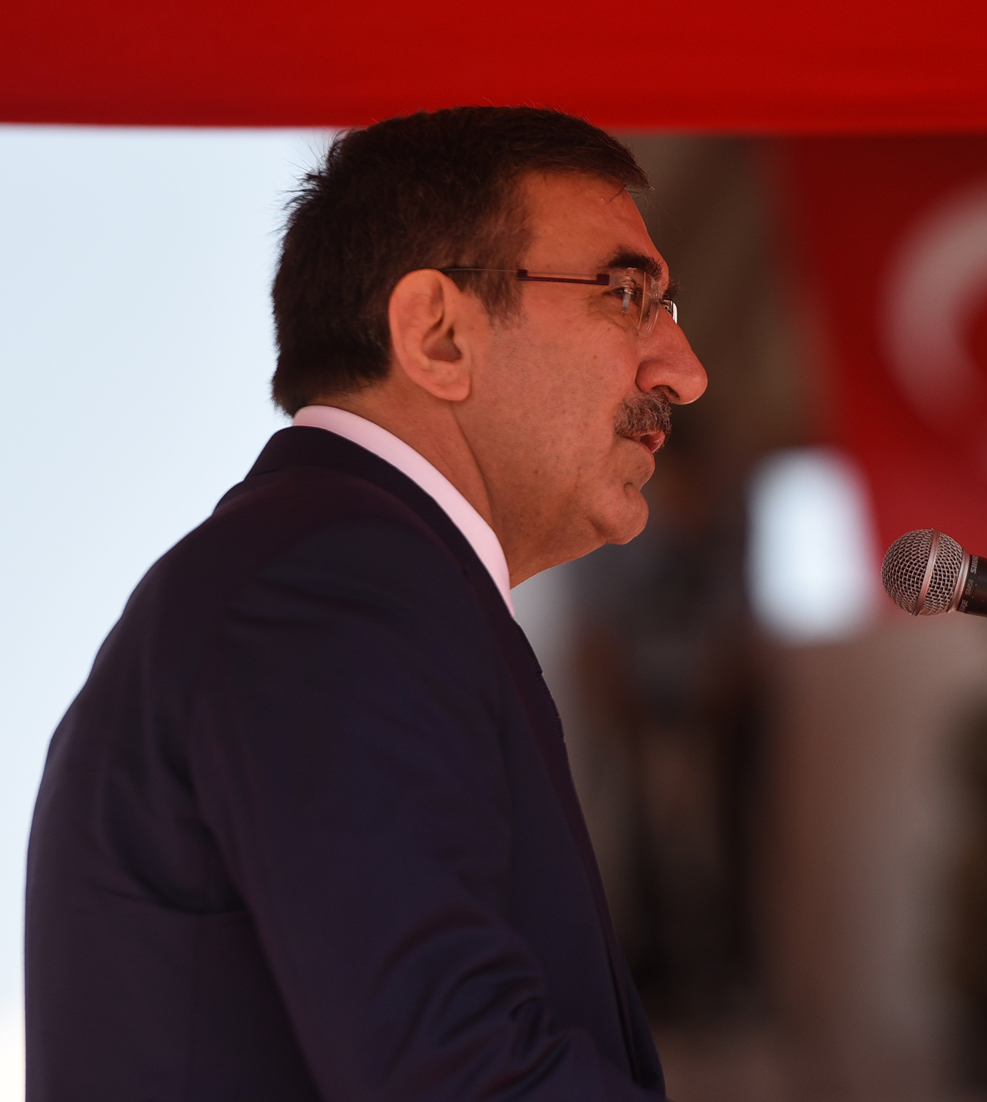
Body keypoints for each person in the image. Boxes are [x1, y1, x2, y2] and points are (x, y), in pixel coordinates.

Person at [24, 106, 707, 1101]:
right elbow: (458, 1072)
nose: (685, 372)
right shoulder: (336, 584)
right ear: (437, 334)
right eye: (626, 293)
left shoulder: (335, 572)